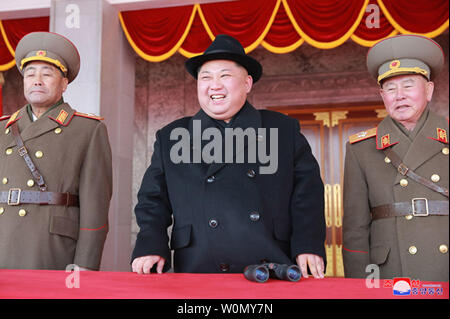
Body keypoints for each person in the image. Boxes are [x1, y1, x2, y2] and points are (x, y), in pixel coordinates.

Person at [131, 34, 326, 278]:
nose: (214, 85)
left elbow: (307, 195)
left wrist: (308, 244)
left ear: (247, 83)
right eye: (205, 77)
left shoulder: (282, 129)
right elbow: (152, 200)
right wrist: (150, 244)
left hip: (271, 265)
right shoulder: (172, 136)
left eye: (225, 76)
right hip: (198, 266)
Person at [0, 32, 112, 270]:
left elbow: (96, 206)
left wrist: (86, 265)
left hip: (53, 248)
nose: (37, 80)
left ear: (64, 83)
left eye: (47, 74)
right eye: (30, 74)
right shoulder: (3, 128)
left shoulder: (87, 130)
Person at [343, 34, 448, 281]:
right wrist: (360, 287)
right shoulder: (361, 149)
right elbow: (355, 230)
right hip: (391, 271)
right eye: (390, 88)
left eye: (408, 85)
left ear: (429, 90)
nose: (399, 95)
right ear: (382, 96)